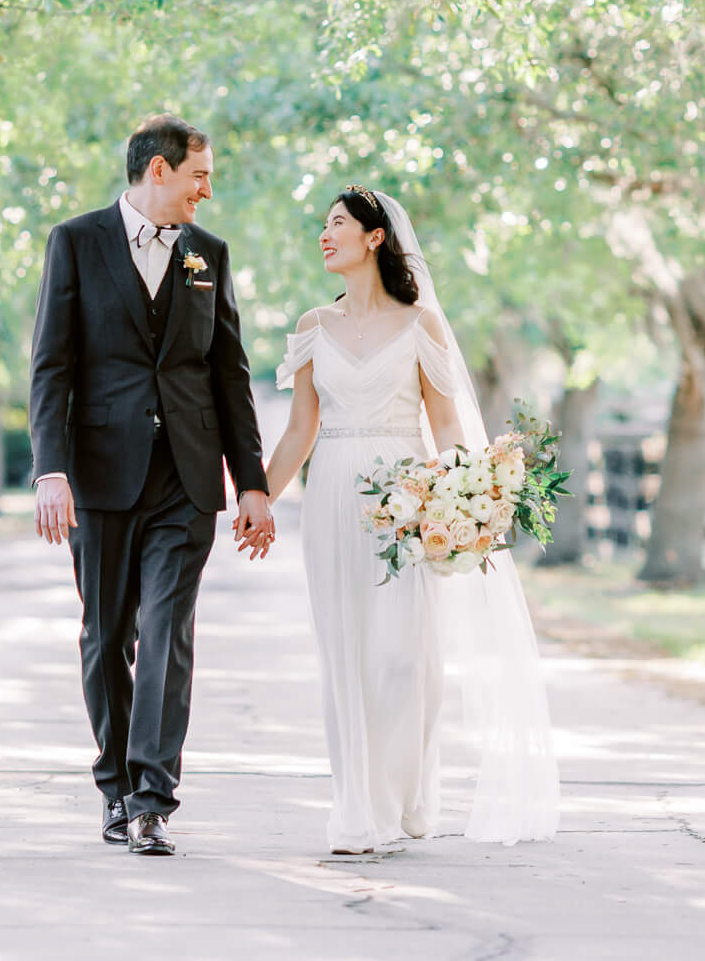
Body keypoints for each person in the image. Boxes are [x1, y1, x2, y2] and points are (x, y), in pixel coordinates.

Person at [262, 185, 559, 854]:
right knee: (345, 656)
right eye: (323, 224)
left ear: (375, 237)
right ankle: (357, 809)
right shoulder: (313, 327)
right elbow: (299, 430)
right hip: (334, 495)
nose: (324, 234)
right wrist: (257, 497)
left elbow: (449, 423)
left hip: (407, 497)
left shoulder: (419, 325)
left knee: (404, 657)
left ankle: (406, 790)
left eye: (337, 223)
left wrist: (473, 499)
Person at [28, 114, 276, 857]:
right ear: (158, 170)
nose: (209, 189)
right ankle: (113, 786)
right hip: (100, 474)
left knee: (167, 630)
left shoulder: (210, 255)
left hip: (186, 479)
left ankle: (151, 797)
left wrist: (253, 483)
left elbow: (229, 374)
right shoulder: (75, 241)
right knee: (107, 637)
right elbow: (51, 367)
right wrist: (50, 468)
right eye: (200, 174)